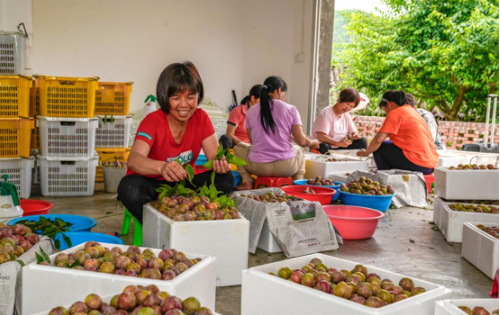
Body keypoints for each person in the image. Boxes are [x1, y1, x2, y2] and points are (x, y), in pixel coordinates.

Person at [117, 61, 234, 223]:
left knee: (226, 178)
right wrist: (162, 167)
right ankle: (159, 225)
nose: (184, 104)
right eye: (176, 98)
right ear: (165, 97)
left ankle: (193, 218)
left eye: (190, 97)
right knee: (129, 188)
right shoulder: (153, 121)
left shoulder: (201, 118)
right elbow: (134, 159)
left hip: (183, 185)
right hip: (153, 184)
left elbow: (214, 156)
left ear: (198, 97)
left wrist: (220, 163)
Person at [233, 76, 319, 191]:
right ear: (279, 90)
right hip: (286, 167)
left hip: (258, 166)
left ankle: (247, 182)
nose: (284, 96)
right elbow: (302, 141)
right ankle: (298, 184)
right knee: (300, 149)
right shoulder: (291, 109)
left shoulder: (251, 111)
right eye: (284, 93)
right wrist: (313, 142)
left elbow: (253, 141)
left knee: (238, 147)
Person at [356, 90, 438, 174]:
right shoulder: (412, 112)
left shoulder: (395, 113)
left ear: (389, 104)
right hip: (430, 164)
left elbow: (378, 140)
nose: (387, 113)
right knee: (387, 144)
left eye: (385, 110)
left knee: (380, 147)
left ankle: (385, 178)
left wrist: (366, 152)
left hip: (418, 164)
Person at [311, 87, 368, 154]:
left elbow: (353, 132)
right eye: (347, 104)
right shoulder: (326, 113)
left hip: (339, 146)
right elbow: (320, 136)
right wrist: (337, 143)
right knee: (324, 147)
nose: (348, 108)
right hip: (326, 146)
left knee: (362, 141)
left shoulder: (346, 115)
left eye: (351, 106)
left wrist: (355, 135)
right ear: (339, 99)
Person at [219, 84, 262, 149]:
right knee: (225, 138)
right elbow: (230, 134)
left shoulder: (261, 114)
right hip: (238, 146)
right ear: (253, 98)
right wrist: (245, 146)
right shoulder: (237, 111)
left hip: (253, 147)